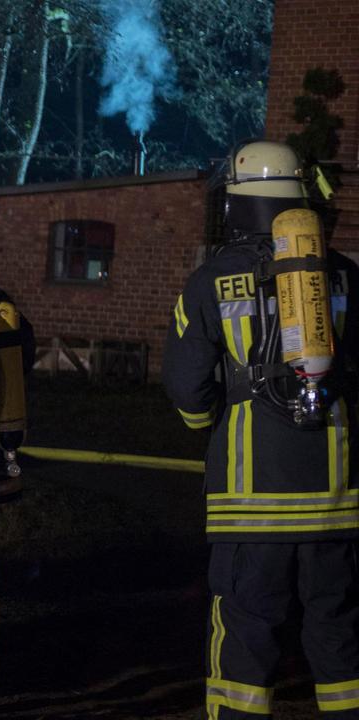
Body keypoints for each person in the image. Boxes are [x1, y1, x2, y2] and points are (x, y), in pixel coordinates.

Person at [163, 140, 359, 718]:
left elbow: (185, 386)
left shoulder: (210, 281)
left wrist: (212, 425)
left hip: (251, 503)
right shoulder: (346, 276)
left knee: (245, 637)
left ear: (238, 200)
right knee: (339, 636)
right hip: (337, 500)